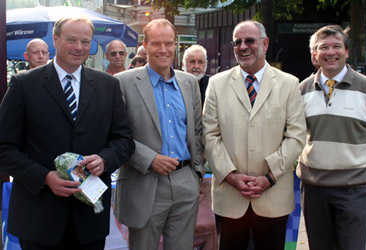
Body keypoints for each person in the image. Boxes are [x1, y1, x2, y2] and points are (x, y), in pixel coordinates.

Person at [0, 16, 135, 249]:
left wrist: (104, 160)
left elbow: (124, 140)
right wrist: (44, 177)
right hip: (38, 218)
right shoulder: (24, 85)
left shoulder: (108, 85)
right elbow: (4, 148)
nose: (79, 47)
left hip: (88, 221)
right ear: (55, 39)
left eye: (85, 41)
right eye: (71, 40)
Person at [202, 20, 307, 250]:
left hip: (273, 197)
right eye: (237, 42)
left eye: (249, 40)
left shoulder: (289, 84)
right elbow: (209, 135)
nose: (242, 46)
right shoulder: (217, 84)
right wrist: (231, 176)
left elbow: (296, 137)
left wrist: (269, 177)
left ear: (265, 43)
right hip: (230, 198)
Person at [113, 18, 204, 250]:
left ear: (175, 45)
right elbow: (115, 134)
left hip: (185, 182)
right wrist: (149, 159)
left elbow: (196, 131)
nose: (163, 50)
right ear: (144, 45)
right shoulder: (122, 83)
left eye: (169, 43)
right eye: (156, 44)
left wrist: (196, 174)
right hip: (144, 183)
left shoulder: (189, 83)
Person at [297, 24, 366, 250]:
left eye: (337, 46)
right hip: (313, 189)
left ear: (346, 52)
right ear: (315, 54)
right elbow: (294, 136)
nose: (330, 52)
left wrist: (364, 172)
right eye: (323, 47)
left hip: (354, 189)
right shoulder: (302, 90)